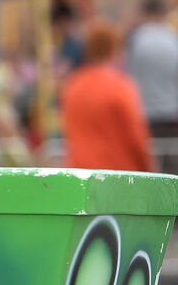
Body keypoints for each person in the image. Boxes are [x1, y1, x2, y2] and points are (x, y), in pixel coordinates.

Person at [61, 20, 155, 173]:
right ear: (114, 50)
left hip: (81, 172)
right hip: (117, 174)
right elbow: (135, 136)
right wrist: (147, 169)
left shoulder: (72, 85)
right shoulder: (120, 86)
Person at [125, 0, 178, 152]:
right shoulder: (173, 38)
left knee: (148, 169)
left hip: (144, 113)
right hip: (172, 112)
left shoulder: (136, 39)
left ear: (145, 12)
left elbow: (130, 75)